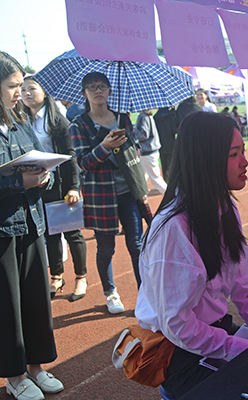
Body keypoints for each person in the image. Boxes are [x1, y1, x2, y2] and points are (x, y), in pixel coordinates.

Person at [135, 112, 248, 399]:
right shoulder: (174, 229)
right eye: (234, 154)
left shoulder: (225, 208)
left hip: (213, 333)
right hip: (178, 350)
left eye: (243, 151)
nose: (245, 161)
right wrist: (238, 348)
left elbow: (244, 288)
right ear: (205, 160)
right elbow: (177, 325)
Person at [0, 51, 65, 400]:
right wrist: (17, 183)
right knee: (8, 305)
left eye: (21, 85)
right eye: (13, 86)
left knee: (36, 299)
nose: (20, 92)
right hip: (3, 230)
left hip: (32, 222)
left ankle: (36, 367)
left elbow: (38, 162)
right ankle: (14, 375)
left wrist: (44, 175)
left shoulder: (20, 122)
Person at [70, 72, 151, 314]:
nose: (98, 91)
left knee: (137, 245)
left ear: (109, 91)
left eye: (102, 86)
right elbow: (83, 162)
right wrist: (105, 146)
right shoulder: (79, 124)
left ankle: (145, 293)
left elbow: (135, 148)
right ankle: (110, 293)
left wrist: (127, 144)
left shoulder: (122, 118)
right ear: (84, 93)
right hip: (101, 195)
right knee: (106, 247)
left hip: (129, 190)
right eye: (92, 87)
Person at [21, 76, 88, 301]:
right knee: (50, 234)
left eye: (31, 88)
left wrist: (74, 187)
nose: (26, 93)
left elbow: (71, 156)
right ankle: (57, 277)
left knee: (71, 232)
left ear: (45, 91)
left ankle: (81, 277)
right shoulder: (22, 122)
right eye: (22, 89)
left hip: (60, 185)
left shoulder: (57, 121)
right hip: (36, 186)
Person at [135, 110, 167, 194]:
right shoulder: (144, 116)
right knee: (142, 177)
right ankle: (142, 196)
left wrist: (133, 130)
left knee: (155, 180)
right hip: (148, 152)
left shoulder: (144, 117)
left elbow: (144, 135)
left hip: (148, 152)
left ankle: (172, 197)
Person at [153, 107, 178, 182]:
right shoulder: (171, 116)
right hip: (170, 144)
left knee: (164, 166)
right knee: (171, 166)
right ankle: (171, 182)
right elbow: (175, 130)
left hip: (160, 143)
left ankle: (166, 182)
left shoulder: (156, 117)